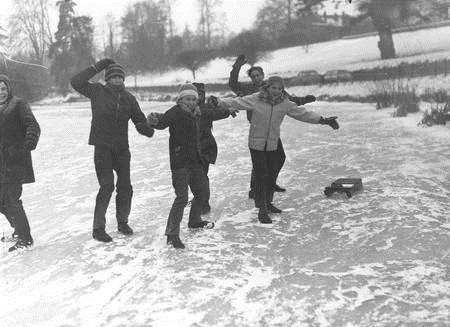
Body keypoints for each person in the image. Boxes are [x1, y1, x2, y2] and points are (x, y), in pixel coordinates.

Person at [214, 76, 339, 224]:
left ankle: (268, 202)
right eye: (274, 88)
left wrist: (323, 120)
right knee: (261, 175)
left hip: (272, 143)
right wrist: (219, 101)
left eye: (280, 89)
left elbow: (303, 114)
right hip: (256, 144)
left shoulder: (284, 103)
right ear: (267, 87)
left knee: (271, 173)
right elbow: (237, 102)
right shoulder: (257, 98)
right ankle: (262, 209)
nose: (276, 91)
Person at [70, 59, 155, 243]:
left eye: (120, 77)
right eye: (113, 77)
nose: (117, 80)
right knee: (106, 186)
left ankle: (122, 222)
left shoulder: (129, 98)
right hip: (102, 148)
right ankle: (98, 228)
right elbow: (75, 81)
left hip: (122, 149)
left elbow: (139, 120)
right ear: (107, 79)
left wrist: (149, 127)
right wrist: (98, 66)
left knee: (125, 187)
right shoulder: (97, 91)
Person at [147, 84, 234, 249]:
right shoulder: (175, 111)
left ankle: (194, 221)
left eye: (194, 99)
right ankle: (172, 234)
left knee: (202, 192)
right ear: (181, 99)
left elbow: (214, 113)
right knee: (181, 198)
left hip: (195, 162)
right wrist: (152, 120)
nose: (191, 101)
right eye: (188, 98)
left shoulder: (198, 113)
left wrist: (227, 111)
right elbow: (162, 122)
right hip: (180, 163)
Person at [229, 54, 317, 198]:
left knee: (279, 157)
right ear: (251, 78)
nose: (256, 78)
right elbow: (233, 83)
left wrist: (304, 100)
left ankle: (270, 182)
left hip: (272, 129)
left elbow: (290, 100)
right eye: (253, 76)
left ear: (263, 75)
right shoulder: (248, 90)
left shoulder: (273, 87)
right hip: (258, 128)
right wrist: (237, 66)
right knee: (260, 161)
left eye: (258, 75)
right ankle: (254, 189)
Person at [0, 74, 40, 252]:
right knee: (2, 201)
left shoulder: (18, 104)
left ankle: (26, 238)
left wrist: (26, 145)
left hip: (15, 160)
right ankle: (18, 231)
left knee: (11, 199)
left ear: (8, 89)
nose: (1, 92)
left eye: (3, 88)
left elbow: (32, 126)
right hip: (1, 163)